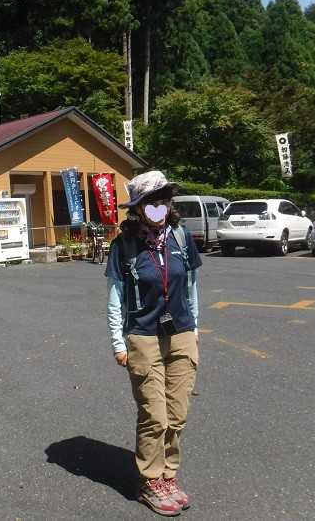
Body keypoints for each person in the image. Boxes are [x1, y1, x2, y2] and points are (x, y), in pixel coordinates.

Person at [105, 171, 202, 517]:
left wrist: (195, 328)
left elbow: (191, 286)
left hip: (181, 333)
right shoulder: (123, 247)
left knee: (177, 414)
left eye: (163, 200)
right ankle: (150, 481)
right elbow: (115, 298)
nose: (158, 207)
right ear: (138, 209)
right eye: (150, 202)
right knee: (154, 416)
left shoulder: (181, 237)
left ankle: (168, 475)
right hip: (143, 336)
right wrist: (118, 343)